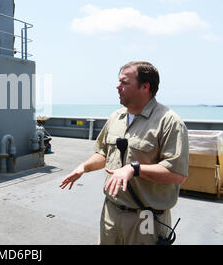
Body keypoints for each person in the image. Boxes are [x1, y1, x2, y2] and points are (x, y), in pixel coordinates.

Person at [60, 61, 189, 245]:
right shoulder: (116, 117)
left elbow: (177, 174)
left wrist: (134, 169)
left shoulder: (169, 122)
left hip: (146, 218)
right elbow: (104, 154)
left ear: (145, 87)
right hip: (111, 213)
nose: (117, 86)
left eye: (124, 82)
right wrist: (83, 167)